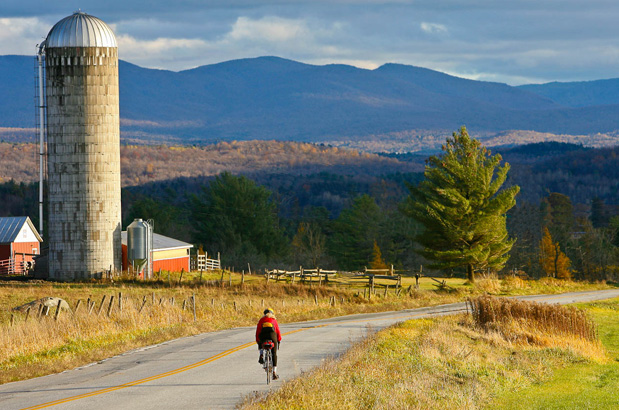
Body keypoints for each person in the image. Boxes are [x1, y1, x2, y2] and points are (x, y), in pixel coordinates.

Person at [256, 308, 282, 380]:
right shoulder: (274, 320)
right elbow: (278, 332)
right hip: (272, 336)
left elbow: (258, 331)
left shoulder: (261, 320)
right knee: (274, 353)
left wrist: (258, 341)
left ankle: (261, 354)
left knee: (261, 342)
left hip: (263, 337)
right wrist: (279, 340)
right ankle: (274, 372)